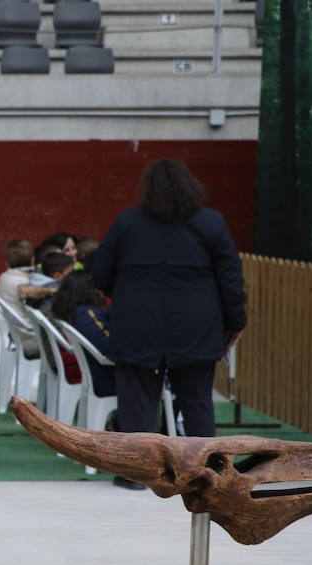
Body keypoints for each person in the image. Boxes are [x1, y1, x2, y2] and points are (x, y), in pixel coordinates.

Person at [93, 159, 247, 479]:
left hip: (137, 323)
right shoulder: (212, 223)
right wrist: (235, 322)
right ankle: (205, 472)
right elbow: (230, 280)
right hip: (196, 325)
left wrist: (126, 293)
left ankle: (135, 473)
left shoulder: (127, 223)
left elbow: (100, 274)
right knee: (196, 400)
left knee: (136, 400)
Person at [50, 270, 111, 396]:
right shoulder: (87, 314)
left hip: (84, 368)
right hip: (100, 375)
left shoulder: (71, 310)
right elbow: (107, 346)